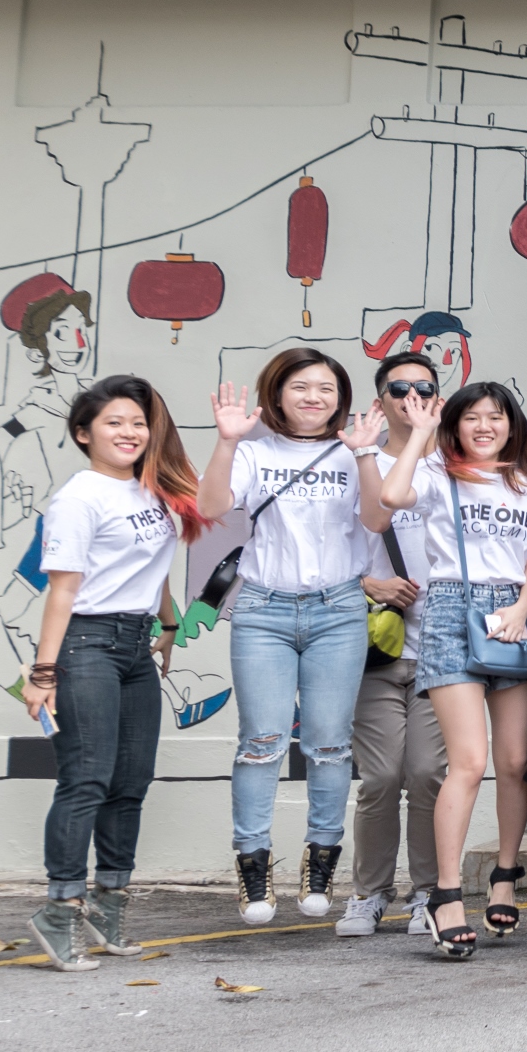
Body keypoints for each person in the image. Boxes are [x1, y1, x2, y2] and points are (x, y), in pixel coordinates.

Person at [363, 380, 527, 959]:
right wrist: (422, 434)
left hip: (513, 613)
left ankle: (505, 873)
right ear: (455, 425)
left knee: (514, 763)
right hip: (451, 606)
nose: (483, 426)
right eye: (471, 417)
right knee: (468, 762)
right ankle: (444, 897)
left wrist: (523, 610)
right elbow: (391, 499)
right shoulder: (434, 471)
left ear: (510, 424)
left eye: (494, 417)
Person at [19, 375, 205, 971]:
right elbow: (62, 591)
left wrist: (169, 624)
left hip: (133, 647)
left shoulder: (154, 491)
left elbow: (157, 567)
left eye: (137, 422)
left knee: (131, 781)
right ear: (83, 434)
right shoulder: (80, 498)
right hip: (86, 645)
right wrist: (43, 671)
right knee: (87, 778)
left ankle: (108, 902)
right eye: (113, 423)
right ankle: (59, 906)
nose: (129, 432)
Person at [196, 349, 382, 926]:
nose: (314, 397)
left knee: (328, 744)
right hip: (262, 611)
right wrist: (226, 441)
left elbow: (377, 520)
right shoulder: (253, 452)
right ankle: (253, 866)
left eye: (326, 388)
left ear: (341, 399)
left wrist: (369, 454)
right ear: (276, 395)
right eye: (300, 386)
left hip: (339, 610)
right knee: (261, 744)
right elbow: (209, 508)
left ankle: (320, 861)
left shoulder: (353, 455)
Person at [341, 352, 449, 939]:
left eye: (423, 388)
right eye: (398, 387)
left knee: (429, 772)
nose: (411, 396)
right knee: (381, 777)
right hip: (376, 649)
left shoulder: (456, 465)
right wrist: (368, 583)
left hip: (439, 648)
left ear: (436, 400)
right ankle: (369, 893)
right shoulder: (356, 461)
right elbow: (326, 554)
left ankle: (429, 892)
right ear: (380, 400)